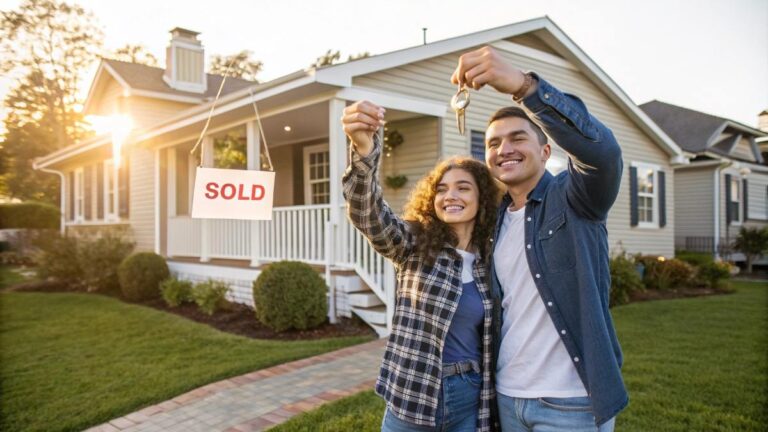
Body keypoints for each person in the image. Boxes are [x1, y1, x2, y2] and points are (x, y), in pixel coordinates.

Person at [450, 46, 627, 431]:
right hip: (508, 397)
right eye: (493, 143)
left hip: (572, 403)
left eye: (517, 139)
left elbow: (604, 153)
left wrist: (524, 87)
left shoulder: (576, 198)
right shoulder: (491, 220)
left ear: (546, 151)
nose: (504, 150)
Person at [341, 100, 501, 432]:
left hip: (471, 395)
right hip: (413, 390)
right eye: (441, 189)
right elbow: (366, 212)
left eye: (462, 187)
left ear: (482, 198)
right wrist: (364, 148)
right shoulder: (414, 243)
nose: (449, 195)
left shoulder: (493, 260)